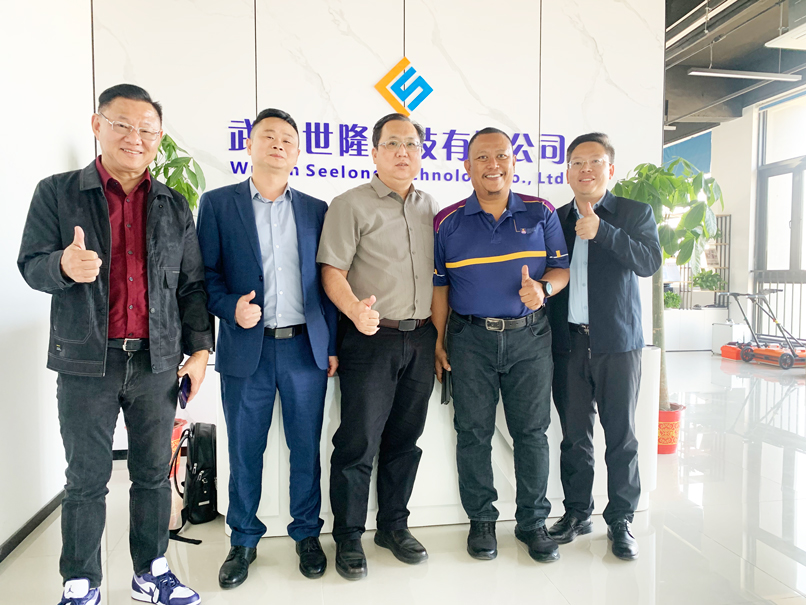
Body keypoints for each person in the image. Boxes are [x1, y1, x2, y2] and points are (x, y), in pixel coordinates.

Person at [17, 84, 212, 605]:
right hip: (86, 362)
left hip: (156, 361)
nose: (135, 137)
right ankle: (81, 581)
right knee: (86, 478)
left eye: (147, 129)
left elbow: (192, 286)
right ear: (97, 125)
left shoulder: (173, 204)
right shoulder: (57, 193)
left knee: (151, 476)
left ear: (159, 137)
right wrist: (62, 265)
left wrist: (200, 352)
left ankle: (151, 573)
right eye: (123, 124)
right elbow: (30, 264)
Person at [196, 108, 338, 585]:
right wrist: (230, 307)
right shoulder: (218, 204)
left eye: (287, 140)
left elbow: (327, 282)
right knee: (244, 449)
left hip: (304, 350)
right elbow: (205, 277)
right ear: (250, 145)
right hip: (246, 351)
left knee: (306, 448)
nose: (278, 144)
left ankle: (307, 533)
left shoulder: (317, 210)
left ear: (297, 153)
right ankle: (242, 540)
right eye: (268, 136)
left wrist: (331, 344)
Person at [432, 127, 570, 563]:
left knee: (532, 433)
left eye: (502, 156)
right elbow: (440, 287)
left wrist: (544, 290)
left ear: (513, 162)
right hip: (469, 339)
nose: (493, 165)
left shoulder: (540, 211)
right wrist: (438, 341)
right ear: (467, 166)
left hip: (530, 337)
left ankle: (533, 523)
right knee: (472, 432)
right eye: (483, 157)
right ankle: (482, 521)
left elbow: (561, 269)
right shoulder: (447, 221)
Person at [317, 113, 438, 580]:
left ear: (421, 152)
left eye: (411, 144)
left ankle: (393, 526)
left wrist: (440, 338)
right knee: (358, 441)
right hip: (370, 337)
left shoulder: (432, 208)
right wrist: (354, 311)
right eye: (392, 144)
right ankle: (348, 535)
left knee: (405, 440)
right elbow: (332, 271)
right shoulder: (350, 204)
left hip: (421, 337)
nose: (402, 152)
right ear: (374, 152)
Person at [546, 132, 661, 560]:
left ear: (610, 169)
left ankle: (621, 520)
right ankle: (577, 513)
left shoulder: (633, 213)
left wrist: (603, 232)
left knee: (621, 437)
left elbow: (649, 262)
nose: (586, 169)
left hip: (618, 343)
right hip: (568, 344)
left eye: (595, 161)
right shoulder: (554, 219)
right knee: (574, 436)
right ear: (568, 172)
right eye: (577, 162)